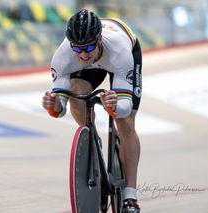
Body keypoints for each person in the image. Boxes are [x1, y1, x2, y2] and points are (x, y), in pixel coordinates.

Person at [42, 9, 142, 213]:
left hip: (121, 52)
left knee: (126, 122)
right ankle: (92, 140)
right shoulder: (64, 56)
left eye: (88, 47)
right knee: (77, 93)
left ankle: (130, 196)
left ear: (98, 40)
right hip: (100, 60)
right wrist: (53, 104)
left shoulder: (119, 51)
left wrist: (114, 105)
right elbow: (60, 109)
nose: (84, 54)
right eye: (78, 49)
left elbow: (123, 109)